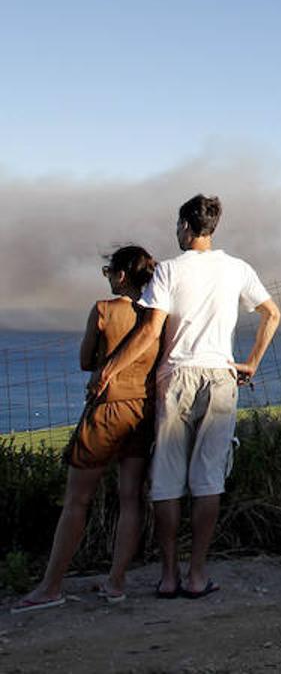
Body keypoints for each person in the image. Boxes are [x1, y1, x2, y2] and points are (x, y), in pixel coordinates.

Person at [96, 195, 281, 599]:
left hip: (177, 376)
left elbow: (149, 331)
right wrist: (251, 362)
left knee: (166, 480)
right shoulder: (238, 269)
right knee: (208, 478)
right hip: (221, 376)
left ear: (185, 225)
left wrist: (109, 370)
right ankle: (197, 574)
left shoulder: (168, 271)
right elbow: (273, 313)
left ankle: (168, 576)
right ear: (212, 226)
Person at [13, 247, 162, 613]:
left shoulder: (104, 310)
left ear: (121, 275)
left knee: (77, 500)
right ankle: (117, 581)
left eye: (109, 270)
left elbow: (85, 361)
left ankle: (51, 586)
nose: (108, 276)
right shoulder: (159, 315)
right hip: (142, 411)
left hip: (106, 411)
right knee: (131, 498)